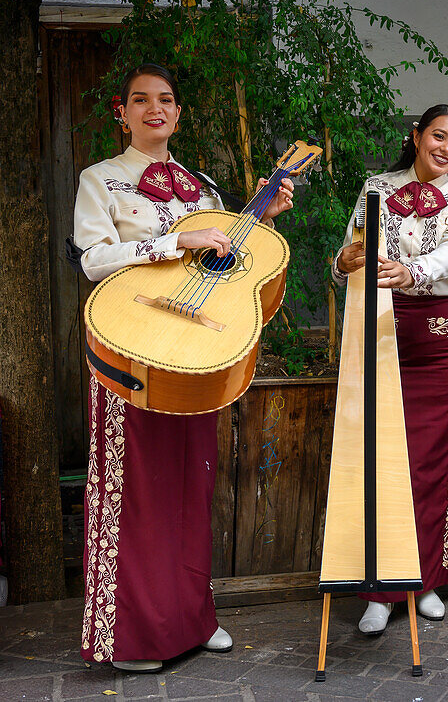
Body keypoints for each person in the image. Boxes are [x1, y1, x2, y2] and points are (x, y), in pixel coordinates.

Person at [74, 63, 294, 672]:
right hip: (132, 345)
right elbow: (93, 260)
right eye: (140, 100)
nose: (155, 109)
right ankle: (135, 638)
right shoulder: (102, 180)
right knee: (137, 490)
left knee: (192, 486)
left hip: (195, 354)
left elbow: (229, 258)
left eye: (166, 100)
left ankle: (192, 621)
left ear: (178, 113)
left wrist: (263, 219)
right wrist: (173, 243)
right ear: (121, 112)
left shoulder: (200, 187)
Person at [332, 104, 448, 634]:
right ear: (416, 136)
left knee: (430, 457)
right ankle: (380, 589)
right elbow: (348, 249)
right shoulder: (377, 185)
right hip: (380, 322)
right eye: (438, 137)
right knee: (379, 454)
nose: (447, 149)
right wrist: (344, 262)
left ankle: (425, 579)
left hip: (443, 332)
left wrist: (411, 270)